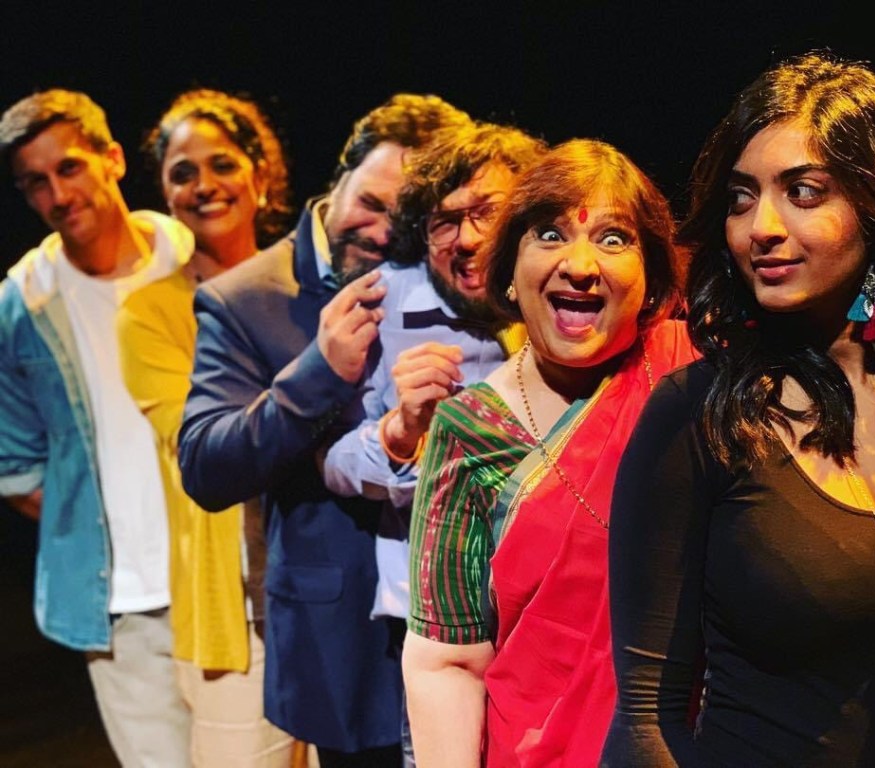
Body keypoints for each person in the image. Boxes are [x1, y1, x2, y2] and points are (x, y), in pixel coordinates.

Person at [602, 52, 875, 767]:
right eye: (741, 198)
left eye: (803, 192)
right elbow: (648, 717)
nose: (760, 227)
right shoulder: (696, 416)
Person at [177, 94, 469, 767]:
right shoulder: (243, 298)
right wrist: (318, 373)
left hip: (461, 622)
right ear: (339, 177)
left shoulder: (448, 270)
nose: (383, 231)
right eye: (370, 202)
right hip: (343, 642)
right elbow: (206, 468)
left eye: (406, 218)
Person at [403, 138, 695, 767]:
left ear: (652, 281)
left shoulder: (695, 378)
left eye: (613, 238)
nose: (580, 265)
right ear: (508, 273)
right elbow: (446, 660)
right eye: (550, 234)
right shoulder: (471, 430)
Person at [0, 89, 192, 766]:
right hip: (124, 607)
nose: (58, 195)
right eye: (36, 183)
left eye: (70, 168)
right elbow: (14, 466)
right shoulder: (25, 303)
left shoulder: (190, 257)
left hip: (229, 581)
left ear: (112, 158)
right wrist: (93, 527)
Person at [117, 89, 294, 767]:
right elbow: (202, 442)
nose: (204, 185)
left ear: (259, 173)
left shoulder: (310, 286)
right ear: (165, 194)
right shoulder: (149, 314)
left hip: (327, 595)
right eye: (182, 173)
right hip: (237, 613)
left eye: (222, 164)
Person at [321, 120, 546, 619]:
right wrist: (399, 433)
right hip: (432, 615)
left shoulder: (568, 300)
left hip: (556, 604)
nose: (466, 239)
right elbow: (332, 462)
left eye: (487, 212)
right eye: (444, 221)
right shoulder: (382, 303)